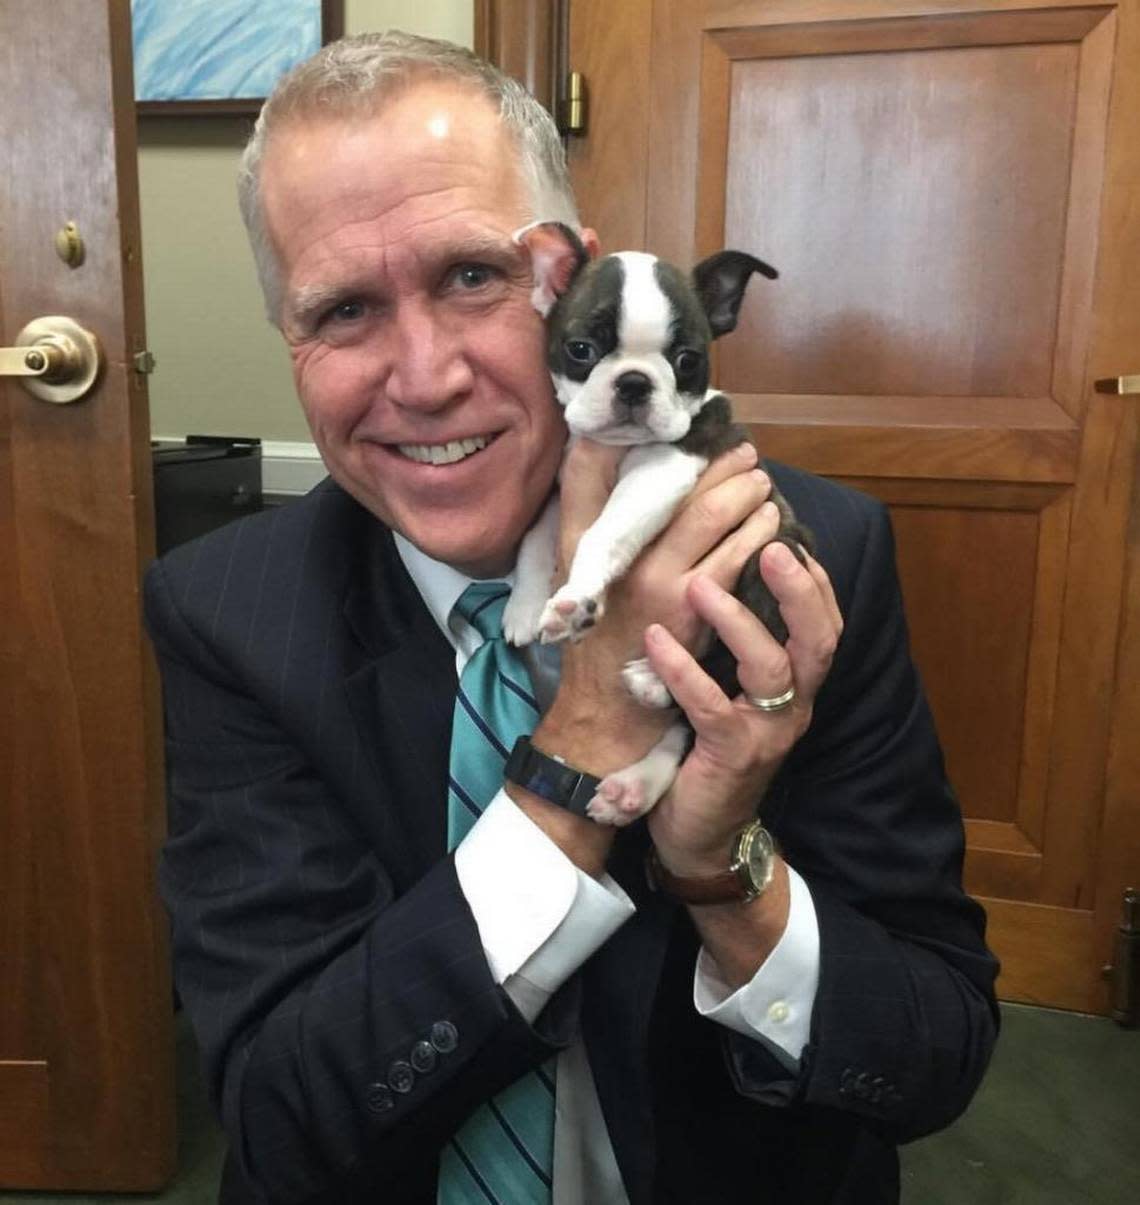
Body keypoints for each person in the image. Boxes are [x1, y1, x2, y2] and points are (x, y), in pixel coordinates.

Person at [144, 31, 999, 1205]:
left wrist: (721, 871)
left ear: (571, 281)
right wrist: (586, 741)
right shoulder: (228, 612)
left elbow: (932, 1054)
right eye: (343, 309)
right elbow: (287, 1120)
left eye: (471, 276)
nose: (427, 374)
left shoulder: (803, 558)